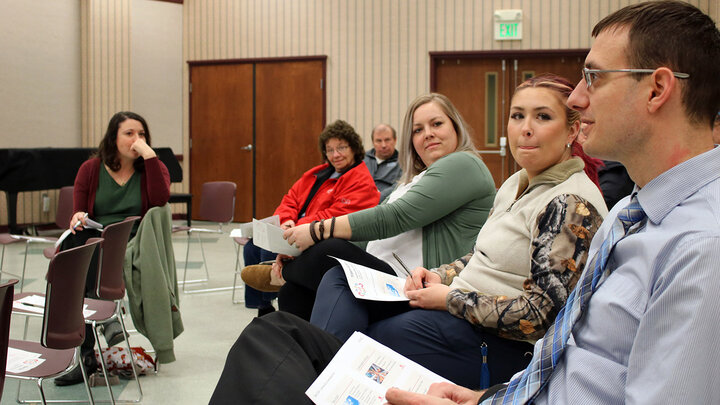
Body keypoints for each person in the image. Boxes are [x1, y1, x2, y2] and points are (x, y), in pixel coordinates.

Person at [385, 1, 720, 404]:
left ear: (657, 89)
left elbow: (540, 317)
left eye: (593, 77)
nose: (577, 98)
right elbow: (573, 364)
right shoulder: (630, 213)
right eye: (517, 116)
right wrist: (487, 398)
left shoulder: (702, 247)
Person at [209, 74, 609, 403]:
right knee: (318, 295)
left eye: (542, 117)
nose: (525, 128)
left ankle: (319, 373)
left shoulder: (568, 201)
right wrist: (439, 275)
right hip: (444, 304)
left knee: (326, 338)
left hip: (489, 340)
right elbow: (479, 257)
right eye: (517, 115)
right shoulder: (517, 184)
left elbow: (540, 316)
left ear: (573, 128)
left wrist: (448, 297)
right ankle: (316, 368)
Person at [243, 93, 497, 321]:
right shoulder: (411, 181)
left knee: (330, 250)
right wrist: (304, 250)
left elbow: (394, 218)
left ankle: (281, 274)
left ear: (456, 127)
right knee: (295, 291)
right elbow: (366, 238)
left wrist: (315, 231)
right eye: (418, 130)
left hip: (410, 284)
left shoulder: (464, 164)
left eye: (437, 124)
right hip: (382, 272)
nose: (427, 133)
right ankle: (300, 352)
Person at [56, 111, 171, 386]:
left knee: (85, 260)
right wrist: (77, 218)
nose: (136, 139)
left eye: (141, 134)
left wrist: (150, 156)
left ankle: (88, 352)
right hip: (98, 240)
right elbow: (79, 211)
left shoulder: (152, 167)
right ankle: (99, 334)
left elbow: (160, 199)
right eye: (129, 133)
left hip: (134, 242)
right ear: (113, 138)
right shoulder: (91, 169)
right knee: (78, 245)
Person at [241, 120, 380, 316]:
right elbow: (290, 199)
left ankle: (276, 293)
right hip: (296, 228)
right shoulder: (317, 173)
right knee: (252, 247)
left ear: (354, 148)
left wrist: (295, 227)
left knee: (268, 251)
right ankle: (264, 306)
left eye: (341, 148)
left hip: (321, 236)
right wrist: (286, 220)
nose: (335, 155)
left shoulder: (361, 181)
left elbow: (334, 216)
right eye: (330, 150)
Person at [363, 123, 402, 202]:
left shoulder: (403, 163)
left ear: (395, 140)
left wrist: (376, 198)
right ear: (373, 142)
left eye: (387, 140)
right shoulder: (361, 160)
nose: (383, 145)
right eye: (379, 141)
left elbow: (399, 187)